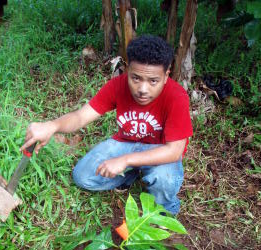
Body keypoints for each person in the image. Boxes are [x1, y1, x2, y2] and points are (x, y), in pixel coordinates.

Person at [21, 35, 193, 215]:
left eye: (153, 81)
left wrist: (124, 160)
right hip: (126, 143)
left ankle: (165, 211)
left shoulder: (176, 97)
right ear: (127, 69)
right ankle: (132, 173)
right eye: (135, 78)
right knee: (82, 176)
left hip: (161, 150)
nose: (143, 89)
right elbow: (81, 116)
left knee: (164, 179)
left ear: (166, 76)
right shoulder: (117, 86)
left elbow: (174, 151)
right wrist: (52, 125)